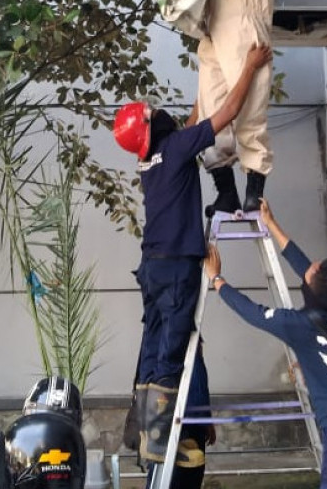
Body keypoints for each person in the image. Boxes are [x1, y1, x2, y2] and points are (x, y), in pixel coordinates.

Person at [112, 44, 272, 466]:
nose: (157, 111)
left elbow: (191, 126)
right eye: (152, 113)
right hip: (177, 265)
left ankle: (147, 432)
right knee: (173, 345)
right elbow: (229, 112)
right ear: (151, 127)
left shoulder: (151, 160)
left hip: (152, 266)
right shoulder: (177, 147)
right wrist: (249, 65)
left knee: (154, 343)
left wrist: (205, 84)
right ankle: (162, 439)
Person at [204, 199, 327, 489]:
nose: (308, 268)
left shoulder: (299, 325)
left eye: (312, 272)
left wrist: (217, 278)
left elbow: (252, 312)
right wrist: (271, 223)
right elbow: (304, 266)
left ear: (314, 290)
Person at [188, 0, 278, 216]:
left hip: (245, 38)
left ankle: (254, 194)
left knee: (249, 116)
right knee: (211, 116)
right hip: (215, 38)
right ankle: (226, 193)